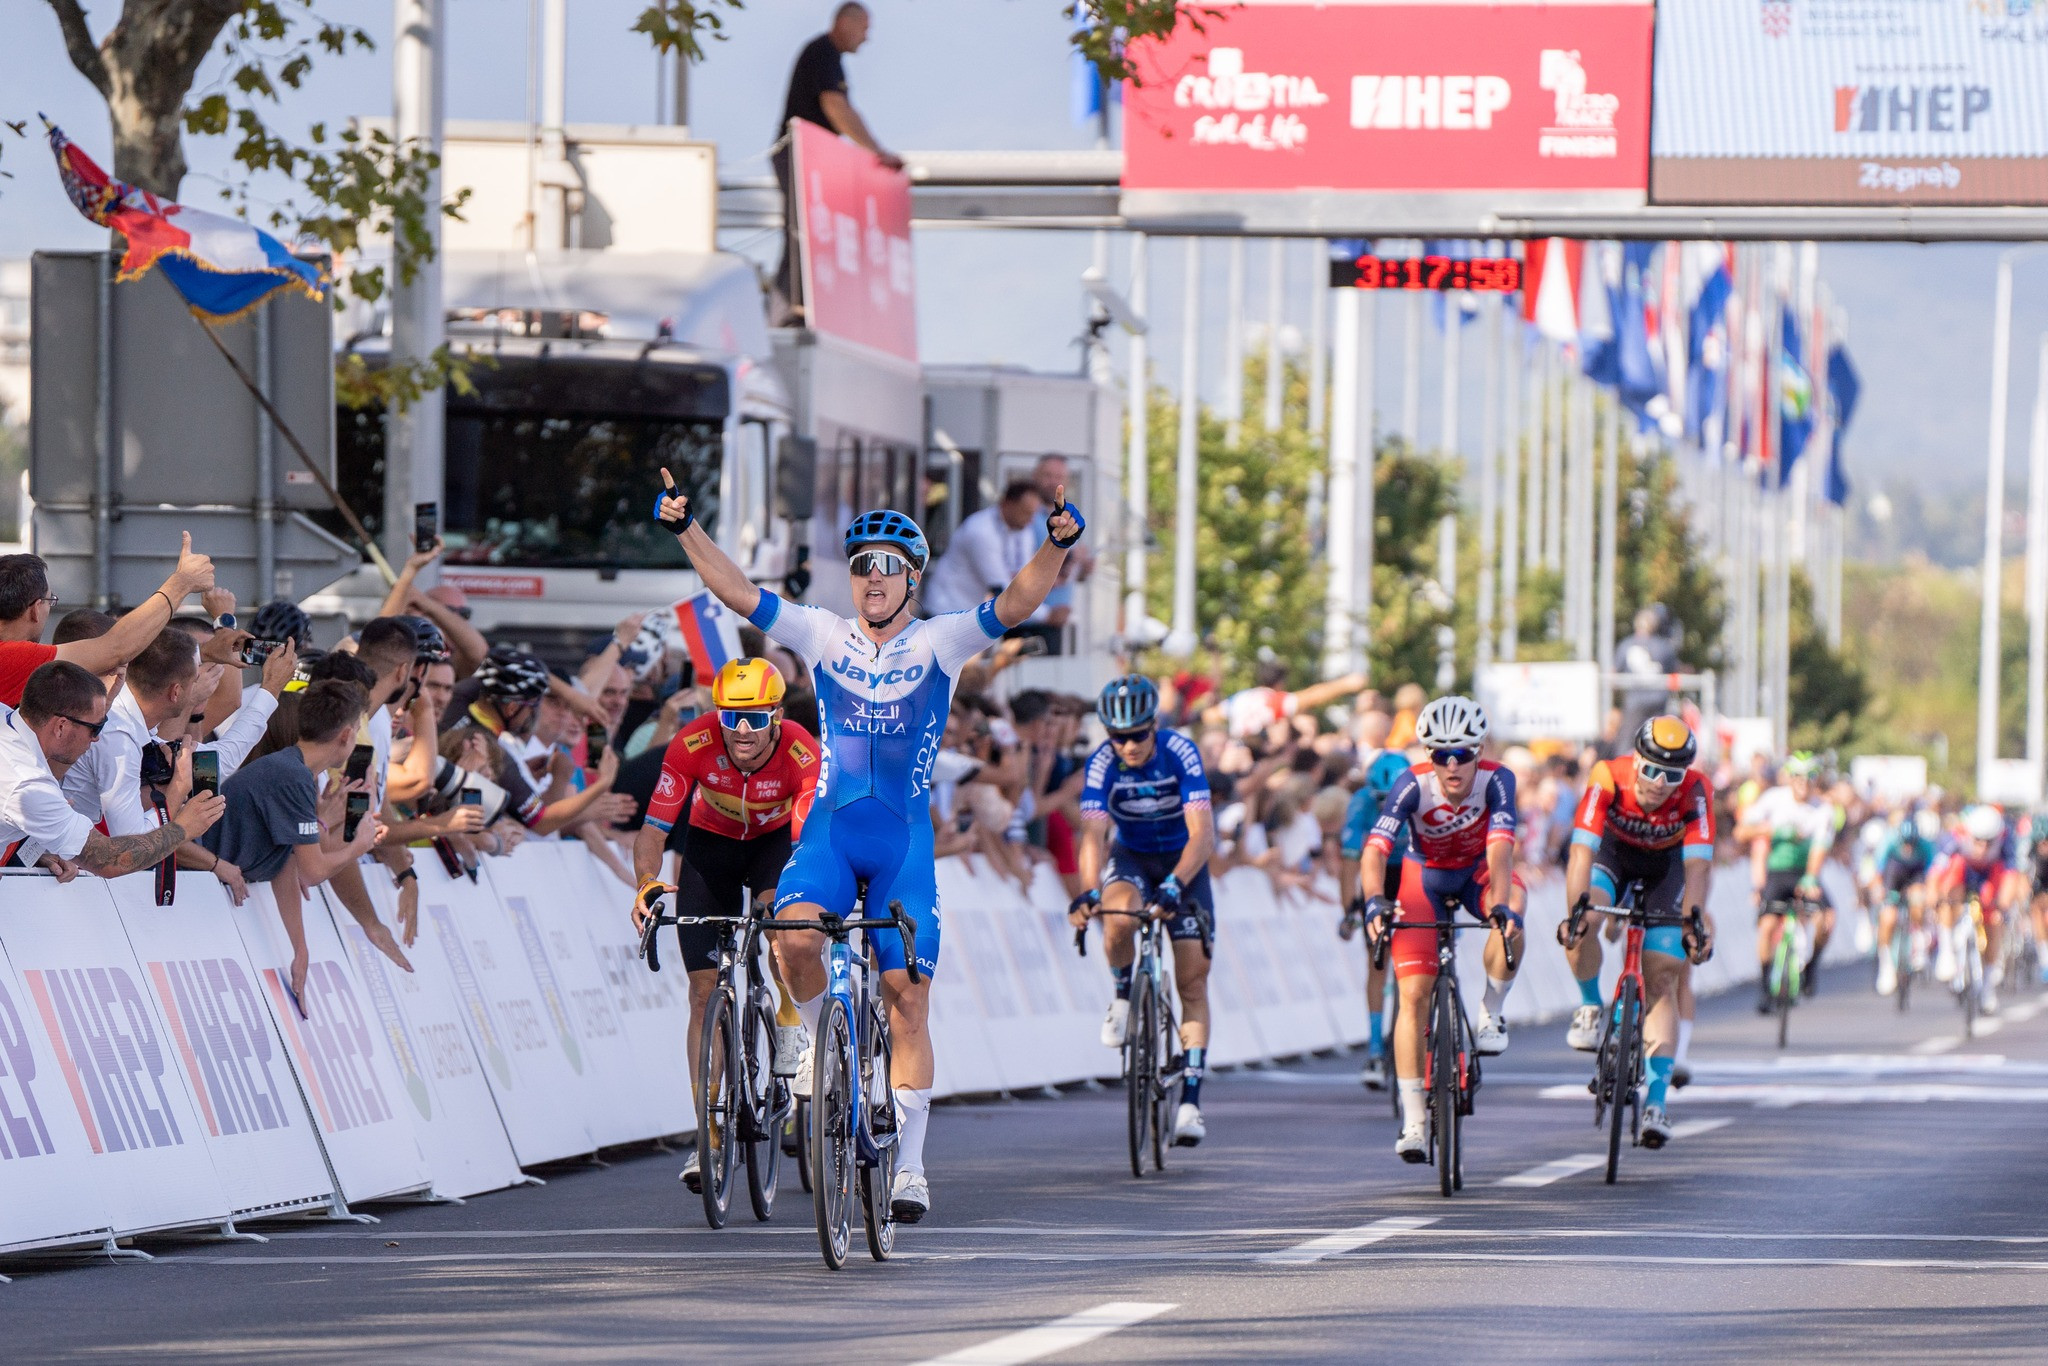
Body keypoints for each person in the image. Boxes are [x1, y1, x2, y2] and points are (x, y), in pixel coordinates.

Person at [655, 470, 1084, 1224]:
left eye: (887, 566)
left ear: (912, 578)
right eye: (861, 566)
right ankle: (824, 1045)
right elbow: (737, 591)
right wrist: (686, 530)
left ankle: (911, 1167)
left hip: (902, 844)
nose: (871, 578)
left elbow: (1016, 604)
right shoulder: (823, 634)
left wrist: (1054, 546)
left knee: (908, 999)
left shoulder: (941, 640)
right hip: (830, 832)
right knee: (791, 940)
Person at [629, 657, 821, 1194]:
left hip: (773, 847)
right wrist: (645, 881)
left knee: (783, 933)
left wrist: (796, 895)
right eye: (731, 716)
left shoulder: (802, 749)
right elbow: (652, 830)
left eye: (755, 718)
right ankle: (707, 1134)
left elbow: (807, 836)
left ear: (777, 716)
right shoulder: (692, 744)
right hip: (709, 851)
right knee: (700, 992)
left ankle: (788, 1019)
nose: (741, 730)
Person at [1358, 695, 1526, 1163]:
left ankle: (1492, 1009)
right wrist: (1375, 901)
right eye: (1440, 755)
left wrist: (1498, 906)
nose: (1452, 767)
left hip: (1476, 871)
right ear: (1428, 755)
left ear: (1480, 750)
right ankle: (1413, 1118)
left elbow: (1500, 851)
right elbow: (1375, 851)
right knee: (1412, 995)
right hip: (1424, 876)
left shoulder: (1499, 780)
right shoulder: (1411, 785)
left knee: (1514, 906)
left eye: (1463, 755)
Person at [1068, 675, 1217, 1148]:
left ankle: (1190, 1101)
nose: (1127, 746)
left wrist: (1175, 884)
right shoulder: (1101, 765)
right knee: (1116, 916)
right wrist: (1089, 890)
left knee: (1192, 977)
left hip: (1183, 861)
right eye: (1117, 736)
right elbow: (1092, 836)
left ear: (1154, 726)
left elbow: (1203, 834)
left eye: (1136, 735)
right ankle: (1122, 995)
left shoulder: (1181, 753)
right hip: (1131, 857)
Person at [1558, 716, 1717, 1149]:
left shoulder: (1697, 791)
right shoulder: (1608, 775)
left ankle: (1657, 1102)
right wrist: (1577, 911)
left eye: (1672, 775)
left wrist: (1694, 920)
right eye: (1650, 770)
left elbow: (1698, 866)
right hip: (1615, 857)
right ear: (1636, 760)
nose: (1659, 783)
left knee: (1663, 973)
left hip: (1667, 870)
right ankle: (1591, 1006)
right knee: (1584, 922)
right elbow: (1580, 851)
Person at [202, 680, 393, 1004]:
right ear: (346, 736)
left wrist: (300, 950)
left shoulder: (295, 770)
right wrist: (358, 846)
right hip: (198, 884)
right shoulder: (292, 775)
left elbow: (287, 865)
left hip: (209, 889)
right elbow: (313, 871)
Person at [0, 661, 225, 879]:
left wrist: (37, 851)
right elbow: (109, 860)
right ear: (61, 726)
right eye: (96, 727)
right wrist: (183, 827)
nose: (98, 738)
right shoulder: (29, 784)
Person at [771, 2, 902, 322]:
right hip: (798, 155)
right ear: (845, 22)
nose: (867, 38)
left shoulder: (827, 56)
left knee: (808, 230)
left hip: (809, 157)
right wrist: (875, 152)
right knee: (801, 229)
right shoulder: (823, 53)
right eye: (865, 28)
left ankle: (796, 304)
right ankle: (786, 307)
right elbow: (836, 107)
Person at [0, 540, 237, 707]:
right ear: (34, 609)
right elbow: (116, 649)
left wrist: (203, 652)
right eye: (49, 601)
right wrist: (182, 583)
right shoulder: (10, 657)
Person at [1733, 753, 1836, 1011]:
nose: (1804, 784)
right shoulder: (1773, 799)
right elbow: (1741, 832)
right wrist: (1773, 831)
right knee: (1767, 926)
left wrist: (1811, 877)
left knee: (1826, 920)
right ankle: (1766, 985)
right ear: (1790, 779)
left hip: (1805, 872)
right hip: (1777, 872)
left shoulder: (1823, 809)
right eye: (1798, 778)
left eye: (1810, 778)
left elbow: (1820, 848)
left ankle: (1811, 968)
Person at [1339, 745, 1413, 1090]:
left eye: (1392, 799)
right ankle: (1373, 1048)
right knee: (1377, 962)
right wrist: (1349, 910)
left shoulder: (1422, 796)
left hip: (1413, 868)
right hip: (1379, 870)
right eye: (1381, 799)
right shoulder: (1360, 804)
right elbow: (1349, 865)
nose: (1387, 807)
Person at [1926, 803, 2021, 1014]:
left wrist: (2002, 905)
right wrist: (1935, 896)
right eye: (1978, 841)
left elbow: (2011, 875)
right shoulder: (1955, 836)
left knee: (1994, 920)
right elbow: (1936, 871)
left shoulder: (2006, 839)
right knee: (1952, 881)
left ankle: (1987, 984)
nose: (1983, 848)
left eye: (1989, 843)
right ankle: (1947, 949)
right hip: (1963, 874)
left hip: (1989, 877)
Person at [919, 480, 1045, 617]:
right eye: (1026, 512)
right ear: (1007, 504)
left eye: (1033, 513)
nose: (1031, 520)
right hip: (944, 610)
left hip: (970, 614)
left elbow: (1023, 577)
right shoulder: (981, 530)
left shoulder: (1024, 530)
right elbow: (1002, 589)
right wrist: (1047, 615)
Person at [1873, 806, 1940, 997]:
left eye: (1912, 844)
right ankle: (1886, 964)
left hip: (1916, 877)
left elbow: (1932, 873)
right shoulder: (1889, 842)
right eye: (1905, 844)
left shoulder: (1926, 846)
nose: (1909, 848)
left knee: (1918, 898)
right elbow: (1878, 871)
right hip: (1894, 876)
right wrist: (1880, 891)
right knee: (1888, 918)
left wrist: (1930, 893)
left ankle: (1918, 937)